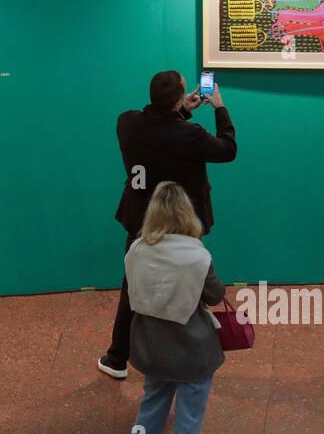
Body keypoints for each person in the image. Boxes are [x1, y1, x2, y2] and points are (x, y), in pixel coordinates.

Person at [99, 70, 236, 380]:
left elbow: (158, 131)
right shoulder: (189, 135)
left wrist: (181, 110)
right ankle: (186, 352)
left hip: (140, 222)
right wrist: (219, 107)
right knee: (190, 285)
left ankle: (117, 357)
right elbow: (228, 150)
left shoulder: (128, 123)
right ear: (176, 98)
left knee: (131, 287)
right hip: (181, 226)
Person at [116, 182, 225, 434]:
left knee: (149, 411)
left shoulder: (136, 250)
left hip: (152, 348)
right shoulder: (198, 256)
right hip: (192, 351)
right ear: (186, 213)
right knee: (188, 421)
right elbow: (215, 296)